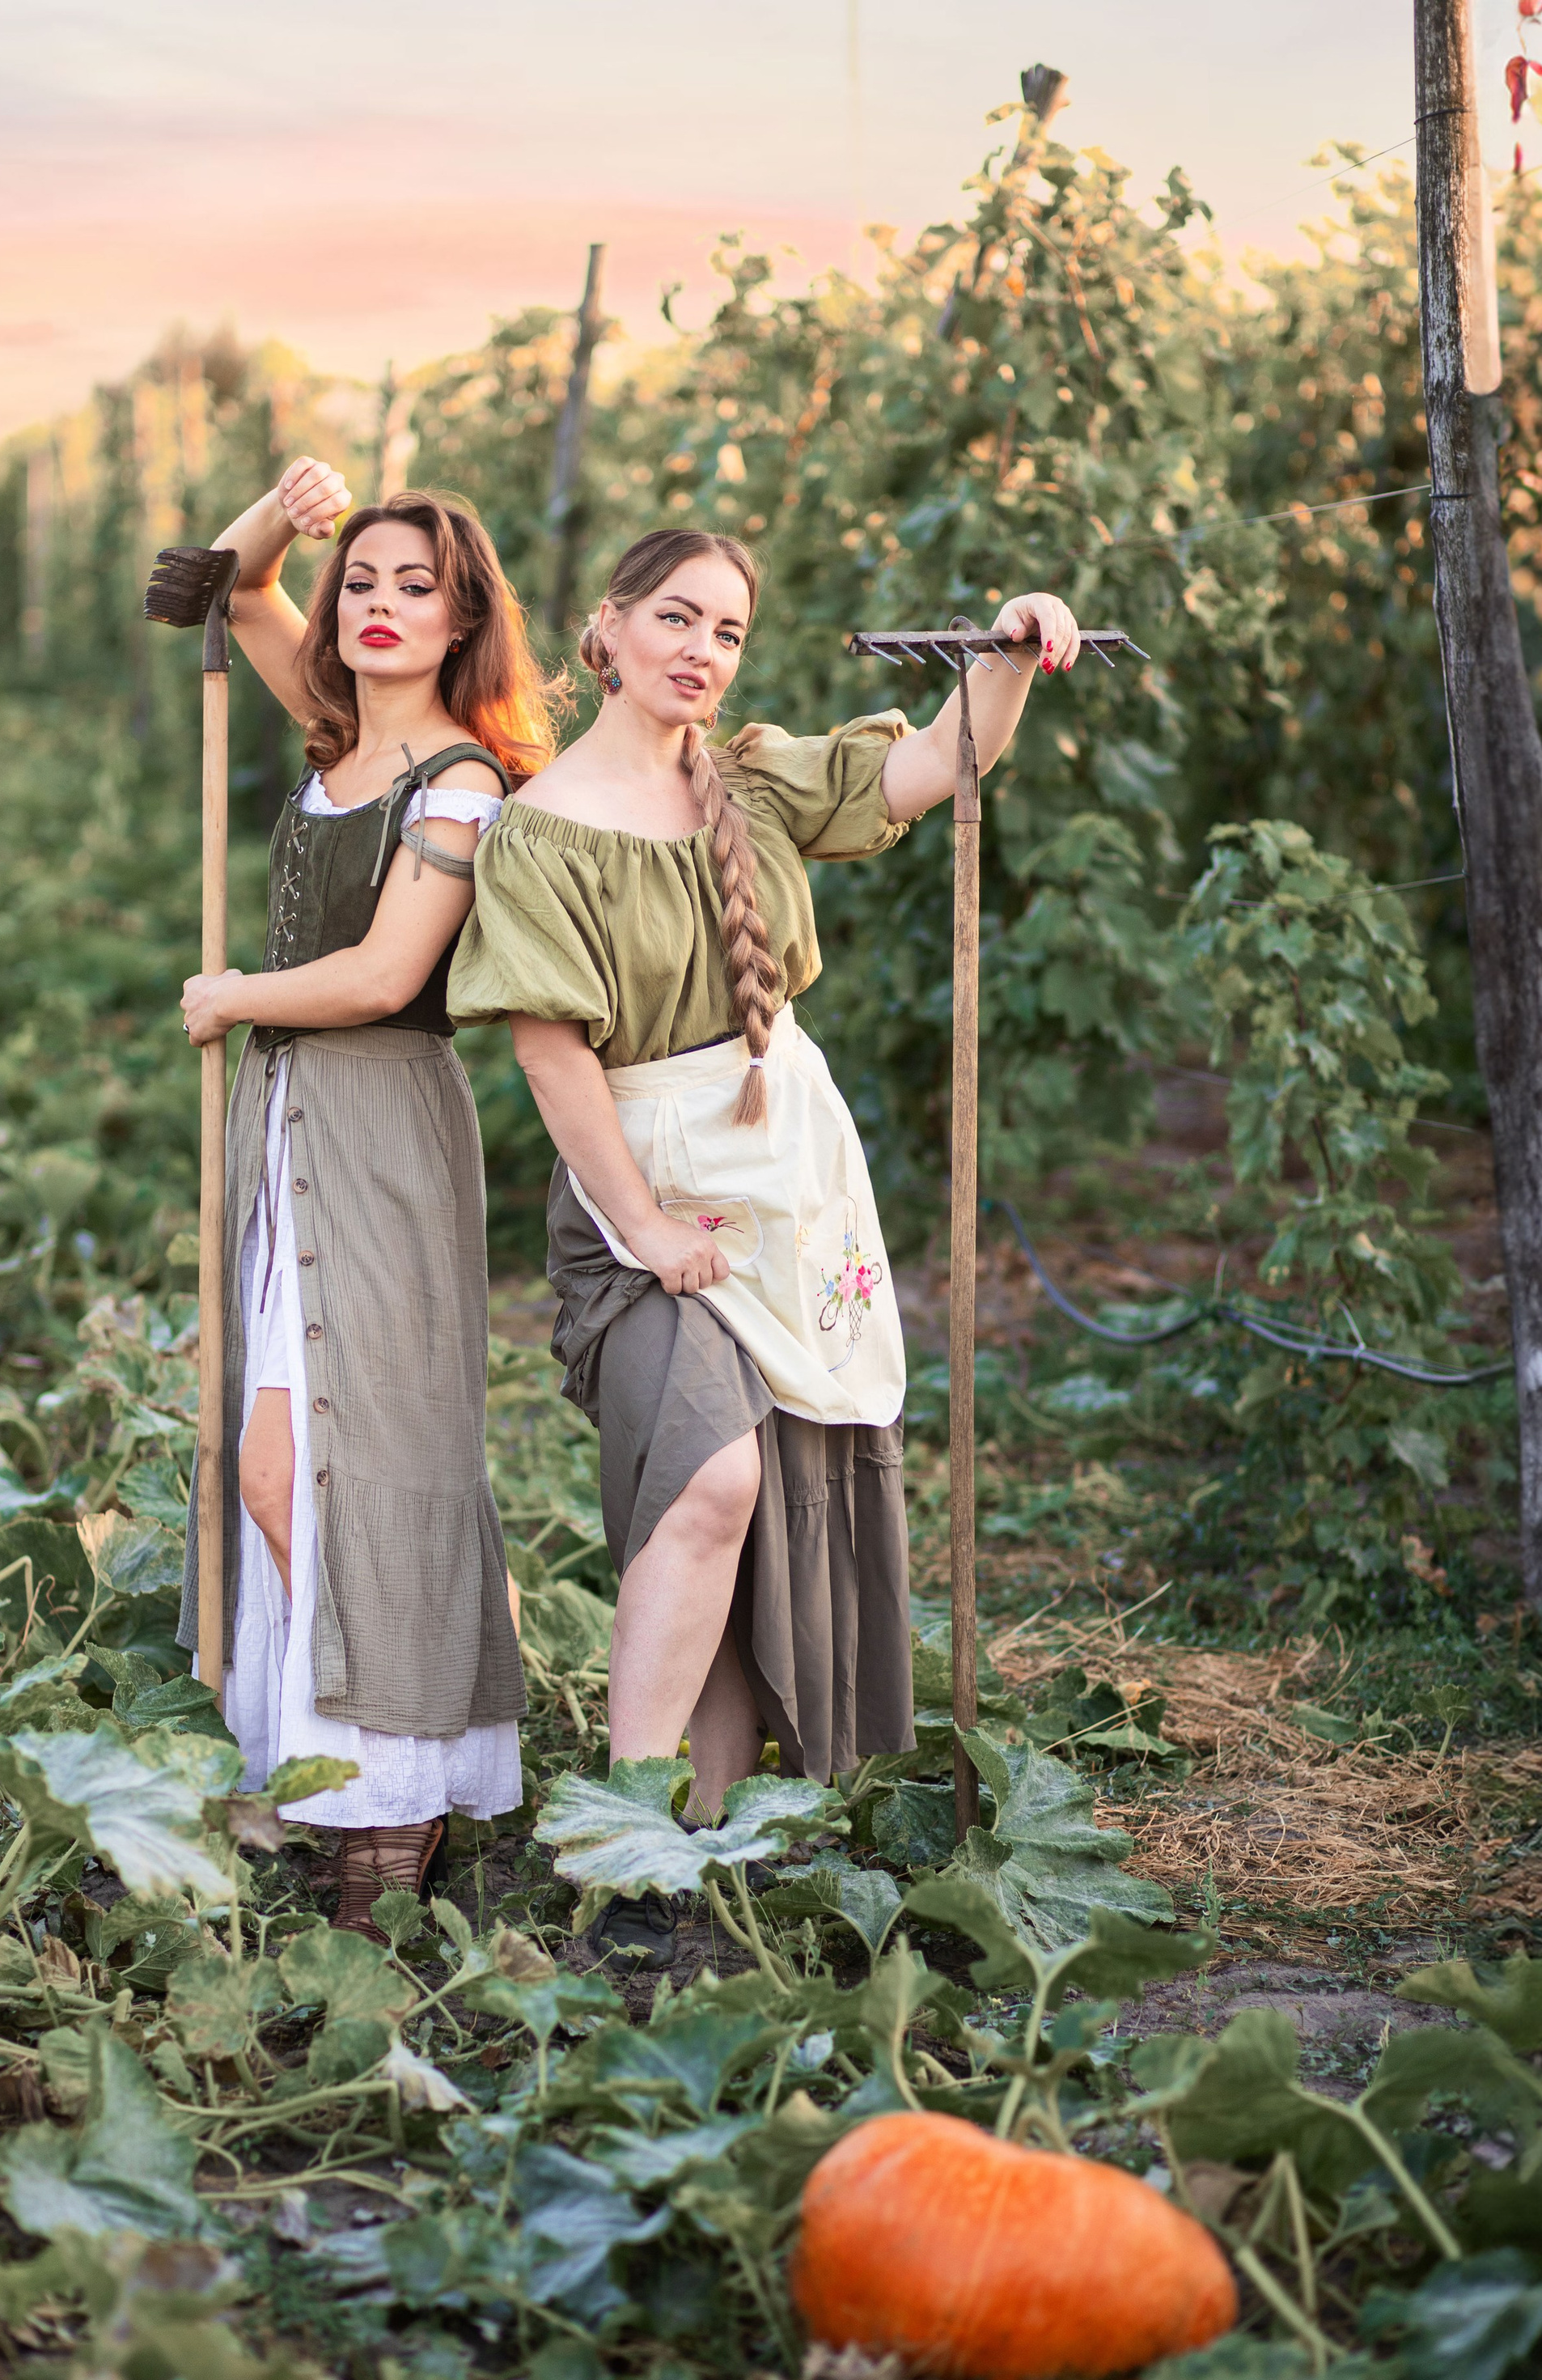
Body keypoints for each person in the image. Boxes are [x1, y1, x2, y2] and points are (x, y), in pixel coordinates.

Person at [449, 527, 1078, 1958]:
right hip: (637, 1194)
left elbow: (935, 762)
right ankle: (618, 1825)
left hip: (786, 1176)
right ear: (604, 629)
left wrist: (1010, 650)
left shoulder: (750, 780)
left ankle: (721, 1842)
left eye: (728, 631)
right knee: (710, 1471)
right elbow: (554, 1064)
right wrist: (650, 1227)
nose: (702, 650)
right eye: (677, 617)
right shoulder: (540, 828)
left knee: (759, 1495)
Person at [177, 456, 556, 1935]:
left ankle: (393, 1799)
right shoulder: (332, 734)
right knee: (275, 1462)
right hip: (289, 1119)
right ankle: (345, 1766)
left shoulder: (455, 779)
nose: (381, 606)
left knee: (364, 1450)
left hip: (385, 1118)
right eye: (365, 583)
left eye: (419, 587)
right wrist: (285, 512)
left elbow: (395, 973)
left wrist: (231, 994)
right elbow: (227, 587)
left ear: (464, 620)